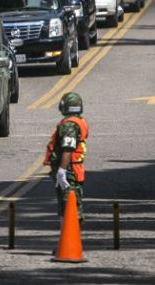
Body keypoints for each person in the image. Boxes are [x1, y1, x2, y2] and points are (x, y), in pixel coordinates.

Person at [43, 92, 89, 224]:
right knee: (69, 203)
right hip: (73, 169)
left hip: (69, 171)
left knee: (69, 203)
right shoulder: (78, 122)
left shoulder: (69, 125)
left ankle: (70, 236)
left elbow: (67, 149)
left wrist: (62, 171)